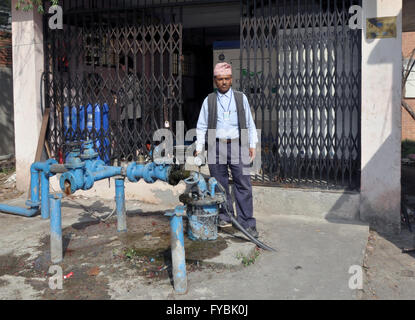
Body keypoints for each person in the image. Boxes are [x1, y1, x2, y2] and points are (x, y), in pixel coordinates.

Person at [195, 62, 259, 238]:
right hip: (216, 145)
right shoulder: (209, 100)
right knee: (219, 184)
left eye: (227, 79)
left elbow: (250, 123)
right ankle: (225, 216)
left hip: (238, 144)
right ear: (215, 81)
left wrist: (252, 144)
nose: (224, 82)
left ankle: (247, 222)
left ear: (232, 79)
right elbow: (201, 126)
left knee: (243, 183)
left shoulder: (241, 98)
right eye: (220, 79)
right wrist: (199, 148)